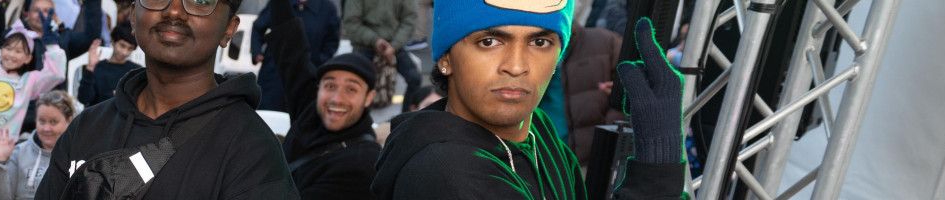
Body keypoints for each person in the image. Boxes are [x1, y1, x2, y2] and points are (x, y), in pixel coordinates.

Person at [370, 0, 685, 199]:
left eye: (540, 41)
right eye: (489, 41)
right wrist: (657, 171)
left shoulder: (539, 134)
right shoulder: (445, 172)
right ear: (446, 59)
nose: (517, 65)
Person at [34, 0, 302, 198]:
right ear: (133, 16)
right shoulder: (87, 126)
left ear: (228, 30)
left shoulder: (252, 149)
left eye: (201, 1)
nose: (174, 11)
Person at [281, 53, 381, 199]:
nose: (337, 99)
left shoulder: (362, 165)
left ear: (369, 98)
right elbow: (292, 54)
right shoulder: (310, 119)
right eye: (330, 86)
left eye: (351, 89)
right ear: (318, 90)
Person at [0, 91, 76, 200]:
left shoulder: (77, 156)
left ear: (69, 121)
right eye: (42, 121)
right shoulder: (19, 152)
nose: (46, 128)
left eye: (53, 122)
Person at [77, 25, 142, 105]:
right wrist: (90, 67)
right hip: (98, 115)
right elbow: (83, 99)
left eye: (130, 48)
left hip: (126, 116)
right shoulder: (97, 68)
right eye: (122, 45)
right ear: (113, 42)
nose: (124, 52)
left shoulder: (136, 71)